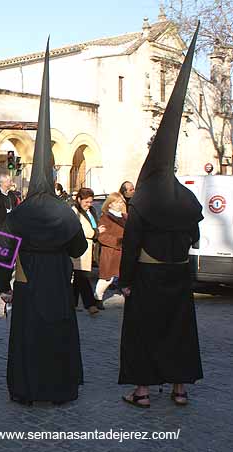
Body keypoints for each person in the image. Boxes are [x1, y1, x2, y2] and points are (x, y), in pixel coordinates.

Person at [119, 26, 203, 409]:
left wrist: (127, 281)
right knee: (179, 331)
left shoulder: (144, 199)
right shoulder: (186, 198)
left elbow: (132, 242)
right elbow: (196, 238)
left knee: (143, 332)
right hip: (179, 273)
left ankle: (142, 392)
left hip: (150, 275)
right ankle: (180, 390)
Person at [4, 40, 88, 406]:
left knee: (27, 334)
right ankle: (58, 389)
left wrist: (3, 282)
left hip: (26, 279)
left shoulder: (20, 212)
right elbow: (79, 247)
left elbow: (6, 248)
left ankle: (26, 389)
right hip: (55, 276)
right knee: (56, 332)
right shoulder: (64, 211)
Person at [71, 188, 106, 314]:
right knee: (82, 276)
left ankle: (72, 303)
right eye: (86, 202)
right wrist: (96, 232)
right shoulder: (74, 211)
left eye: (90, 202)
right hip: (80, 248)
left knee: (78, 279)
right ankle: (90, 304)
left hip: (90, 247)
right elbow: (80, 229)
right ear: (79, 199)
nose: (89, 204)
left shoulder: (91, 210)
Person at [0, 174, 20, 298]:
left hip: (10, 229)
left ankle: (3, 275)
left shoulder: (12, 196)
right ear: (2, 183)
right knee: (0, 252)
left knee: (8, 254)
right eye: (8, 181)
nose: (11, 183)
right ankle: (1, 278)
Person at [95, 192, 127, 302]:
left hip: (123, 252)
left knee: (123, 276)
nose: (120, 204)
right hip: (110, 252)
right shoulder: (105, 218)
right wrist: (118, 242)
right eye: (117, 202)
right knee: (106, 278)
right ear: (110, 204)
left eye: (121, 201)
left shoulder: (125, 217)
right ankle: (98, 297)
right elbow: (102, 236)